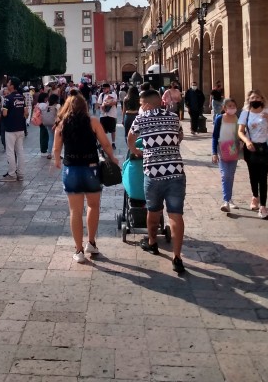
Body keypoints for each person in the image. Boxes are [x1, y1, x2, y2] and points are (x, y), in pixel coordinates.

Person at [53, 92, 118, 263]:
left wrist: (57, 161)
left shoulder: (62, 124)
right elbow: (105, 143)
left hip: (71, 169)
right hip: (91, 168)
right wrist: (113, 158)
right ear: (84, 106)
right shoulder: (93, 122)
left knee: (75, 211)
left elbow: (56, 149)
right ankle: (91, 242)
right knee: (93, 206)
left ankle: (79, 250)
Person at [128, 89, 187, 273]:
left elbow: (131, 138)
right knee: (176, 215)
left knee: (153, 211)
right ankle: (177, 257)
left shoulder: (141, 118)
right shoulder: (173, 117)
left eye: (140, 103)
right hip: (176, 172)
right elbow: (180, 137)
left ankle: (152, 242)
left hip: (153, 173)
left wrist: (137, 151)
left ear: (146, 104)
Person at [237, 89, 268, 220]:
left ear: (262, 99)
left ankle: (263, 207)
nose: (255, 100)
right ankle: (255, 195)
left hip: (265, 148)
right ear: (249, 100)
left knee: (263, 177)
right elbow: (240, 131)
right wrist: (247, 141)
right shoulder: (245, 114)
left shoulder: (267, 112)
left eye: (257, 98)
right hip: (251, 148)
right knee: (253, 175)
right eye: (252, 98)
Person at [211, 98, 241, 212]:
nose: (232, 108)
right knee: (225, 175)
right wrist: (214, 152)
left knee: (231, 175)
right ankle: (226, 201)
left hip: (233, 149)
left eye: (234, 106)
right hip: (222, 149)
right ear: (224, 108)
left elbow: (239, 133)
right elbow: (215, 136)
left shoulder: (237, 119)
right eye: (229, 106)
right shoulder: (220, 118)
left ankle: (229, 199)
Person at [2, 77, 28, 182]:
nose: (7, 84)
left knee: (10, 151)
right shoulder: (21, 97)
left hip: (10, 128)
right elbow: (26, 113)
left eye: (8, 82)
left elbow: (4, 113)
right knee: (20, 151)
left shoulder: (8, 98)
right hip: (20, 128)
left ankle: (12, 174)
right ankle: (21, 174)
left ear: (12, 85)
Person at [97, 83, 118, 149]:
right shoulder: (101, 95)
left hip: (111, 115)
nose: (103, 89)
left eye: (105, 88)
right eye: (103, 88)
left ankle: (113, 143)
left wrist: (108, 104)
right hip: (103, 115)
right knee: (102, 130)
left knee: (112, 130)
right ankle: (102, 143)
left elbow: (115, 102)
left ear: (108, 88)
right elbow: (98, 104)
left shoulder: (113, 94)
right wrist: (101, 106)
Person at [40, 94, 60, 159]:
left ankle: (49, 153)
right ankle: (57, 154)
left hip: (48, 123)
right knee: (57, 139)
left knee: (50, 138)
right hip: (55, 124)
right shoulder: (57, 106)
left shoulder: (47, 106)